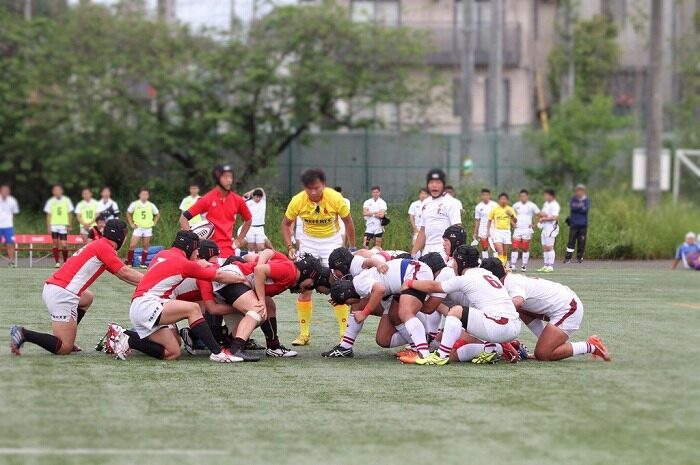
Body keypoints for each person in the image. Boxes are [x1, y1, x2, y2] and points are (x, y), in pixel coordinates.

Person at [111, 231, 251, 362]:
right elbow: (218, 276)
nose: (197, 253)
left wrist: (197, 264)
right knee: (193, 308)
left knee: (172, 352)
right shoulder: (184, 263)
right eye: (196, 250)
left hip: (140, 305)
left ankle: (126, 338)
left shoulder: (162, 253)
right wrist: (242, 279)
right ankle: (218, 353)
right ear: (189, 247)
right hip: (149, 305)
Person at [9, 220, 142, 356]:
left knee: (87, 297)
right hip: (62, 294)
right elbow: (124, 272)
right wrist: (152, 283)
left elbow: (122, 273)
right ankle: (23, 333)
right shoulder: (105, 248)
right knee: (64, 348)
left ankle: (67, 333)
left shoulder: (100, 244)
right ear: (121, 237)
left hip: (54, 288)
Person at [403, 245, 522, 366]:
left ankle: (441, 355)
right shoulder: (487, 273)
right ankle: (490, 351)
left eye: (454, 261)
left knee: (456, 311)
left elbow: (434, 287)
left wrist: (409, 282)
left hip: (500, 325)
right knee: (477, 312)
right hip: (513, 324)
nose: (452, 265)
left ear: (460, 262)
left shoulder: (467, 278)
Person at [481, 258, 610, 361]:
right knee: (518, 310)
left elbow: (518, 302)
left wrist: (494, 314)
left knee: (543, 354)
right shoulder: (508, 279)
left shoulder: (511, 283)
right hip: (561, 305)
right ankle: (546, 341)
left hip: (568, 308)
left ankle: (592, 346)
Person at [281, 168, 356, 345]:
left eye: (317, 187)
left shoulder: (335, 198)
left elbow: (348, 221)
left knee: (339, 286)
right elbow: (285, 224)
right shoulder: (297, 200)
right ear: (304, 187)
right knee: (305, 287)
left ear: (323, 184)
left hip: (331, 241)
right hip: (308, 243)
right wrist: (290, 246)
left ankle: (344, 335)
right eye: (309, 188)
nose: (313, 192)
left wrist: (351, 247)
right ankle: (304, 334)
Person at [328, 257, 434, 362]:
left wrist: (364, 313)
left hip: (414, 272)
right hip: (405, 278)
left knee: (405, 313)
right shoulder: (359, 282)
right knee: (383, 338)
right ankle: (420, 342)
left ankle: (421, 351)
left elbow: (380, 289)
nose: (348, 304)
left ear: (346, 294)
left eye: (346, 302)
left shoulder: (358, 284)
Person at [180, 164, 252, 259]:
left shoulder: (238, 200)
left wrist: (239, 240)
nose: (229, 180)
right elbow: (184, 218)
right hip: (208, 253)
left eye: (231, 177)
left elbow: (248, 220)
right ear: (217, 178)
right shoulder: (207, 199)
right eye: (225, 177)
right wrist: (192, 240)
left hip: (228, 252)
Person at [411, 169, 462, 260]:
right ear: (427, 185)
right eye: (431, 182)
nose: (434, 185)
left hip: (444, 250)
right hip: (427, 249)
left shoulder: (451, 202)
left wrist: (451, 255)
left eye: (438, 182)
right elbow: (423, 231)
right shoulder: (425, 203)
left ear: (443, 184)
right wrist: (413, 254)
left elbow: (457, 231)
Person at [126, 188, 160, 268]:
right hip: (138, 227)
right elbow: (128, 213)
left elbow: (157, 214)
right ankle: (129, 263)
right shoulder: (135, 204)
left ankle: (143, 263)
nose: (144, 196)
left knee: (145, 246)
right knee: (132, 245)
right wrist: (131, 223)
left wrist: (154, 223)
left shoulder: (151, 205)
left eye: (146, 194)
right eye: (143, 194)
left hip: (147, 228)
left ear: (148, 196)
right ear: (140, 195)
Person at [44, 184, 74, 268]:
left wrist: (69, 225)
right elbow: (48, 215)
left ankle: (65, 262)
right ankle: (57, 262)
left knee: (64, 244)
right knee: (55, 243)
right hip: (54, 225)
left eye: (59, 190)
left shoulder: (66, 200)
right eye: (55, 190)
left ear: (61, 191)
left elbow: (70, 214)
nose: (57, 192)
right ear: (53, 192)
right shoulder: (50, 201)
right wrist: (48, 227)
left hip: (63, 225)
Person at [511, 189, 540, 272]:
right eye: (521, 196)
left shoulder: (532, 205)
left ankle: (524, 266)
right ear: (519, 197)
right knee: (515, 247)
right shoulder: (515, 205)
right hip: (518, 229)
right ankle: (513, 265)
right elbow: (510, 216)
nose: (523, 197)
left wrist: (535, 224)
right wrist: (513, 224)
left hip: (527, 230)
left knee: (525, 248)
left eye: (524, 196)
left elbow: (539, 215)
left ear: (527, 196)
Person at [486, 193, 517, 266]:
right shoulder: (494, 209)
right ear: (499, 200)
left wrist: (511, 215)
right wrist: (488, 231)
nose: (503, 200)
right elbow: (489, 220)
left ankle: (504, 265)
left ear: (507, 200)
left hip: (506, 232)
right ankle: (501, 267)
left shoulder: (510, 209)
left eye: (505, 199)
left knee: (505, 252)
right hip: (497, 232)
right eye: (502, 199)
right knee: (500, 251)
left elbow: (515, 221)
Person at [564, 184, 589, 263]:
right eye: (578, 190)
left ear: (584, 191)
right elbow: (573, 207)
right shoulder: (573, 199)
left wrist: (578, 207)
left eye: (581, 190)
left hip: (583, 225)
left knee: (582, 242)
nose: (579, 192)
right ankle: (568, 258)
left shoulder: (586, 200)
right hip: (574, 224)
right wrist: (580, 206)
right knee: (571, 241)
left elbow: (585, 210)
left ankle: (579, 257)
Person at [537, 189, 560, 273]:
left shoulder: (555, 205)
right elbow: (543, 213)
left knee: (550, 247)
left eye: (546, 195)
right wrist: (540, 216)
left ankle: (551, 266)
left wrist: (544, 218)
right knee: (545, 247)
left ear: (551, 196)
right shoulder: (546, 204)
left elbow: (555, 217)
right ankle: (546, 265)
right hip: (544, 227)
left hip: (551, 227)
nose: (545, 197)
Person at [473, 188, 498, 259]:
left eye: (487, 195)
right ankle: (486, 263)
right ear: (481, 196)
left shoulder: (495, 205)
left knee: (495, 247)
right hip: (482, 228)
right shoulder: (478, 207)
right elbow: (477, 220)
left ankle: (497, 263)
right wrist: (475, 232)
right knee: (484, 247)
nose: (485, 197)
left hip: (493, 227)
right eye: (483, 195)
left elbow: (497, 217)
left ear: (489, 196)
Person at [241, 188, 267, 252]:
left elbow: (261, 189)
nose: (258, 199)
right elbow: (242, 199)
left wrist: (251, 191)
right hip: (250, 227)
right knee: (251, 247)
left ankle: (262, 260)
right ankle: (252, 260)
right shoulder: (248, 203)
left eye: (260, 197)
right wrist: (249, 194)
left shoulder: (263, 202)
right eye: (257, 197)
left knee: (261, 247)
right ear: (253, 196)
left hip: (260, 228)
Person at [0, 184, 19, 267]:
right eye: (3, 190)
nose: (5, 192)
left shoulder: (13, 201)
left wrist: (11, 224)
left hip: (8, 226)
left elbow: (14, 214)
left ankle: (11, 261)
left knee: (10, 244)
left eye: (6, 191)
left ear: (9, 192)